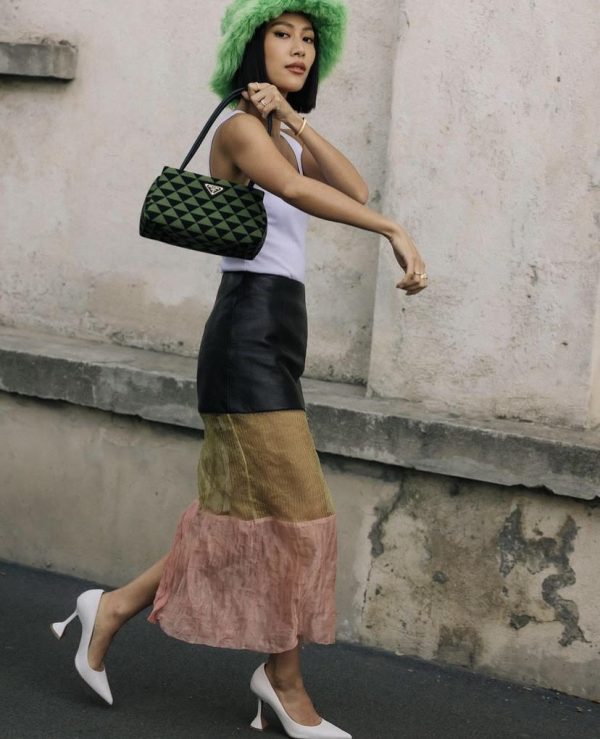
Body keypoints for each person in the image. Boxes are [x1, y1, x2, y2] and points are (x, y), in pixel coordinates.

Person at [50, 1, 427, 737]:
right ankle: (283, 682)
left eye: (309, 38)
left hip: (278, 337)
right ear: (250, 47)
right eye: (281, 34)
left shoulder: (276, 133)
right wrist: (392, 230)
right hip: (245, 341)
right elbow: (302, 194)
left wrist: (293, 120)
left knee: (237, 520)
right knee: (296, 513)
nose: (298, 47)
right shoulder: (237, 129)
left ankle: (112, 606)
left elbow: (351, 187)